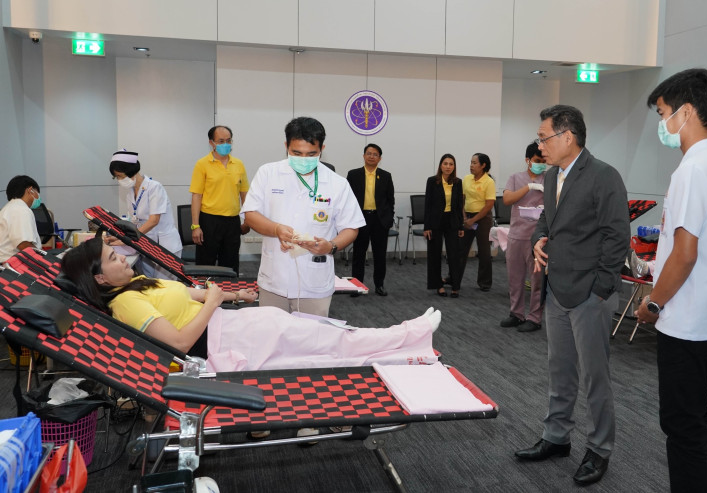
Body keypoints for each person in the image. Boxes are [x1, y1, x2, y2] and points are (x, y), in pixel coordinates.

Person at [60, 237, 441, 370]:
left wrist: (232, 296)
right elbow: (178, 343)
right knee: (328, 341)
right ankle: (409, 335)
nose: (123, 258)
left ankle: (405, 338)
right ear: (99, 279)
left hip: (233, 324)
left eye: (117, 252)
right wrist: (213, 304)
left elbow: (191, 295)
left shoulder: (137, 283)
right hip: (222, 340)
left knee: (323, 330)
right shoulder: (126, 304)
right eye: (113, 259)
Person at [634, 69, 707, 493]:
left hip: (686, 315)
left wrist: (653, 303)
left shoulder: (693, 170)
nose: (662, 124)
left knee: (681, 423)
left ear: (687, 112)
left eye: (663, 113)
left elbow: (685, 252)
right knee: (695, 417)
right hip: (705, 312)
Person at [515, 105, 629, 486]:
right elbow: (546, 221)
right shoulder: (552, 176)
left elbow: (617, 237)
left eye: (543, 137)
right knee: (559, 370)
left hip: (590, 294)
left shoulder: (603, 176)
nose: (539, 146)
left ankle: (599, 448)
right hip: (557, 290)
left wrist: (600, 289)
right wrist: (539, 239)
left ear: (567, 137)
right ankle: (556, 436)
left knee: (595, 376)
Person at [242, 117, 365, 317]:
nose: (303, 159)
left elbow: (351, 227)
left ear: (322, 149)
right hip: (274, 279)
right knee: (272, 333)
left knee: (312, 335)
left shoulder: (337, 183)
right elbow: (250, 214)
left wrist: (331, 246)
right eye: (296, 153)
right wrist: (276, 229)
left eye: (311, 154)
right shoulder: (268, 173)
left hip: (315, 283)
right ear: (286, 146)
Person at [108, 150, 183, 280]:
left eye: (120, 176)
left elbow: (154, 220)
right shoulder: (130, 193)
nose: (119, 180)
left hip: (164, 246)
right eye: (116, 177)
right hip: (145, 244)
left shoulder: (154, 188)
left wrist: (128, 239)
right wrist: (118, 237)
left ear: (131, 171)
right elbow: (135, 221)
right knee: (148, 284)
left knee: (164, 286)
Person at [189, 125, 250, 274]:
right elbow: (196, 196)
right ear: (212, 143)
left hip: (232, 222)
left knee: (230, 263)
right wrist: (195, 226)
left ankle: (229, 290)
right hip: (209, 221)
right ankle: (203, 289)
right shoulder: (202, 164)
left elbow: (244, 194)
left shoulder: (238, 164)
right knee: (205, 264)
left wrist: (248, 220)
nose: (226, 144)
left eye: (229, 141)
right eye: (221, 141)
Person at [500, 143, 545, 332]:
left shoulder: (549, 180)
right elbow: (507, 199)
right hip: (516, 236)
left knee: (537, 280)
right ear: (528, 160)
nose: (541, 164)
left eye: (543, 161)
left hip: (537, 239)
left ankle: (534, 318)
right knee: (515, 278)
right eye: (537, 161)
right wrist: (529, 187)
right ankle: (516, 314)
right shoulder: (515, 178)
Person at [346, 144, 395, 297]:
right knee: (358, 254)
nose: (371, 156)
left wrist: (389, 219)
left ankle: (379, 285)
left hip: (379, 220)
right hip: (360, 219)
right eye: (369, 153)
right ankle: (357, 286)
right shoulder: (353, 175)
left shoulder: (386, 176)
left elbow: (390, 200)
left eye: (375, 154)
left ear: (379, 158)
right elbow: (348, 199)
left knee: (380, 255)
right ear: (363, 156)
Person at [423, 154, 464, 298]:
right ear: (440, 165)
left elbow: (459, 206)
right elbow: (428, 204)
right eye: (445, 163)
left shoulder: (458, 182)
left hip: (452, 221)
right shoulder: (432, 181)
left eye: (451, 164)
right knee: (435, 254)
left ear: (454, 167)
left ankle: (455, 286)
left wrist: (461, 226)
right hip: (435, 222)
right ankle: (438, 285)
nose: (448, 167)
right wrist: (427, 226)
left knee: (454, 254)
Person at [458, 153, 495, 292]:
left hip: (483, 218)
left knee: (484, 251)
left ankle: (485, 282)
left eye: (474, 163)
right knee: (460, 249)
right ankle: (454, 278)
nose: (471, 165)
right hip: (466, 216)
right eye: (471, 162)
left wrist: (473, 220)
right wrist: (464, 217)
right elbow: (461, 199)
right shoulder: (466, 179)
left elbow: (489, 205)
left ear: (483, 165)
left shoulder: (489, 182)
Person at [0, 175, 42, 266]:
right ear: (30, 190)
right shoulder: (20, 209)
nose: (38, 197)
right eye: (38, 193)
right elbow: (24, 244)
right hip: (13, 267)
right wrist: (43, 261)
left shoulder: (10, 208)